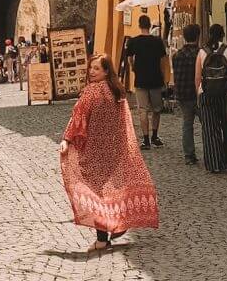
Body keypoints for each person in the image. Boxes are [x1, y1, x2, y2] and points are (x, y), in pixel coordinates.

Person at [60, 55, 159, 253]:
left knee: (96, 193)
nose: (91, 71)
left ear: (106, 71)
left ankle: (102, 239)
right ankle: (118, 224)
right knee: (113, 189)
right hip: (113, 148)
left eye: (96, 68)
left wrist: (67, 139)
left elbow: (78, 117)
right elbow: (124, 122)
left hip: (94, 150)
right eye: (91, 68)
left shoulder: (91, 91)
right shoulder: (117, 91)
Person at [195, 23, 227, 173]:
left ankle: (214, 163)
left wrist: (198, 95)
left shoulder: (202, 52)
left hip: (207, 95)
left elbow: (197, 77)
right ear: (223, 35)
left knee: (210, 129)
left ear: (209, 35)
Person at [126, 15, 167, 150]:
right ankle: (155, 136)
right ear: (150, 25)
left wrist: (134, 67)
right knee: (156, 109)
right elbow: (163, 61)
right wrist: (163, 76)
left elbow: (129, 58)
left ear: (139, 25)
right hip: (156, 79)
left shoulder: (134, 41)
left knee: (143, 110)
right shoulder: (157, 41)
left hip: (141, 79)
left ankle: (145, 140)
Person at [171, 23, 201, 165]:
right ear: (198, 36)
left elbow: (177, 76)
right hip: (199, 94)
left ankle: (189, 155)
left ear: (184, 37)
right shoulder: (201, 54)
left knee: (187, 124)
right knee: (207, 124)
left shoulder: (177, 55)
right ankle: (212, 152)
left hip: (183, 94)